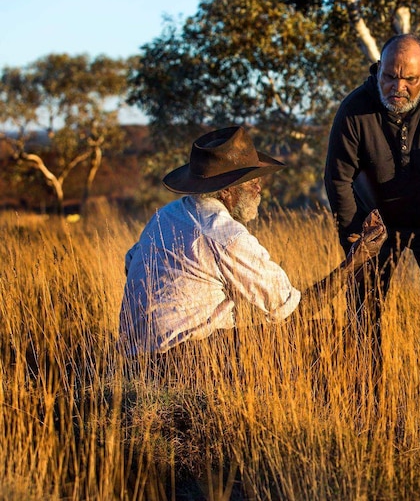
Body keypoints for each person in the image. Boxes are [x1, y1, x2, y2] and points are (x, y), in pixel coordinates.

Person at [119, 125, 386, 359]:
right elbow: (293, 311)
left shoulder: (165, 215)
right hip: (187, 359)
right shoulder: (224, 234)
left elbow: (131, 264)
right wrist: (356, 260)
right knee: (331, 333)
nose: (259, 189)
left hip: (134, 358)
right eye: (251, 183)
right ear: (226, 190)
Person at [323, 33, 420, 365]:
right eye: (390, 76)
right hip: (374, 226)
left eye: (409, 78)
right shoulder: (354, 109)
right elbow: (337, 179)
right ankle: (366, 403)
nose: (398, 86)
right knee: (362, 317)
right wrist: (354, 241)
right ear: (378, 70)